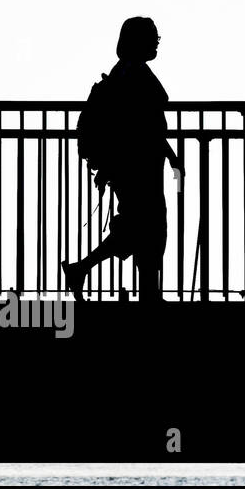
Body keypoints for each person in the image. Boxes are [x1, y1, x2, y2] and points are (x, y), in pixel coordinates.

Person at [62, 17, 181, 303]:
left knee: (141, 224)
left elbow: (145, 124)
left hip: (135, 164)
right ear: (138, 40)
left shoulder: (128, 71)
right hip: (135, 166)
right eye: (152, 37)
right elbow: (139, 125)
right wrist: (167, 153)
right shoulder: (132, 73)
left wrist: (168, 154)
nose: (157, 41)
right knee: (148, 225)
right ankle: (143, 291)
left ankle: (89, 271)